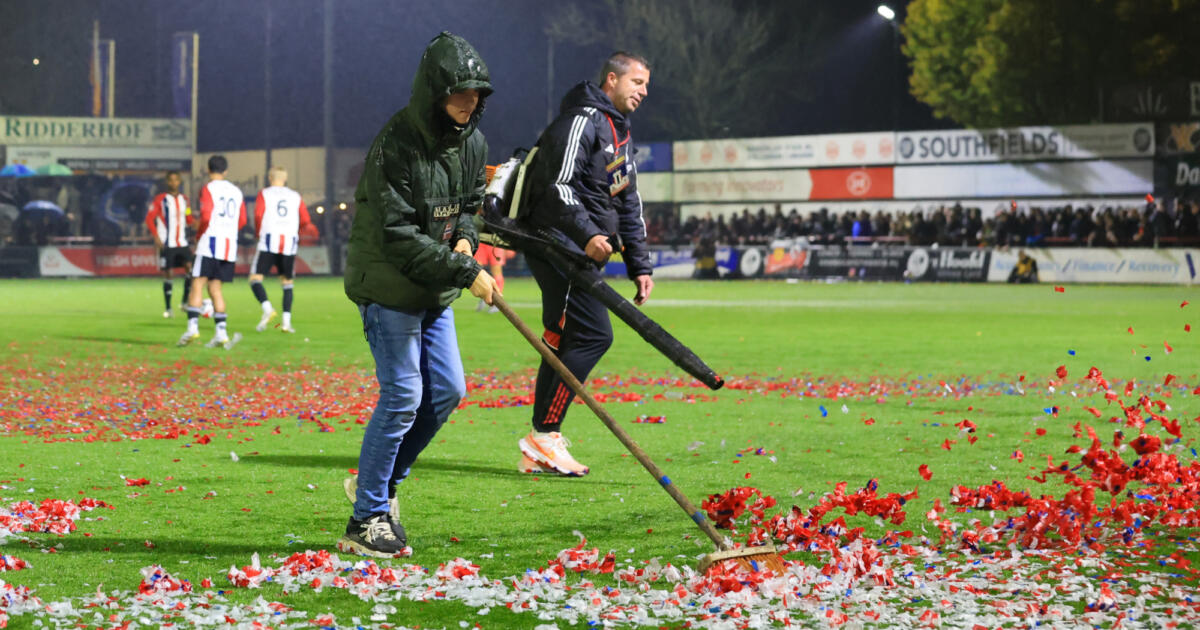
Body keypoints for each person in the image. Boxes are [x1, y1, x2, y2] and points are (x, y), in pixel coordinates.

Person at [338, 32, 498, 558]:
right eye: (460, 91)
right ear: (433, 89)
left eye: (477, 92)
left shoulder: (473, 140)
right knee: (404, 395)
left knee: (448, 390)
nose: (469, 100)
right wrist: (463, 268)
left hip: (432, 283)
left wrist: (468, 238)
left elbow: (472, 203)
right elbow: (398, 235)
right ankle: (366, 518)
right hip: (387, 282)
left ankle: (378, 487)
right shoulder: (396, 143)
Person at [515, 51, 654, 477]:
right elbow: (557, 186)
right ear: (611, 79)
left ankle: (539, 444)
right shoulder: (581, 120)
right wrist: (588, 235)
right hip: (559, 244)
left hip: (579, 248)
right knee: (593, 335)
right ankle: (545, 434)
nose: (644, 92)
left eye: (647, 85)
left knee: (560, 339)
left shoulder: (619, 132)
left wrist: (640, 265)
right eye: (637, 83)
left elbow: (627, 202)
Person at [178, 155, 245, 349]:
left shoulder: (208, 189)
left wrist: (199, 233)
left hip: (210, 242)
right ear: (226, 171)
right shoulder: (236, 191)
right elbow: (241, 221)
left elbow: (206, 215)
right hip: (229, 245)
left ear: (208, 170)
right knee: (215, 289)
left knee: (197, 284)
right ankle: (221, 334)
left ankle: (192, 328)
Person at [249, 166, 318, 333]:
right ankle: (286, 323)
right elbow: (306, 220)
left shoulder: (265, 193)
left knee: (255, 279)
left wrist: (258, 232)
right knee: (287, 283)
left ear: (270, 178)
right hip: (288, 243)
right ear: (285, 179)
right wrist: (295, 230)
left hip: (268, 241)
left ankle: (267, 309)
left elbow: (258, 215)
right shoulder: (295, 196)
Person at [145, 171, 193, 318]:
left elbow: (189, 219)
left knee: (190, 271)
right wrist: (156, 236)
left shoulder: (185, 200)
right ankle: (168, 308)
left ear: (180, 182)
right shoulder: (160, 199)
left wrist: (199, 225)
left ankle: (184, 302)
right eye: (171, 180)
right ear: (167, 182)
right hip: (167, 243)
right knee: (169, 274)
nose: (174, 183)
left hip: (182, 242)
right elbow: (149, 219)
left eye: (176, 180)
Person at [472, 240, 507, 313]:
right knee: (477, 269)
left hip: (496, 241)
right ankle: (484, 295)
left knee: (497, 271)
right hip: (480, 240)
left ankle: (497, 301)